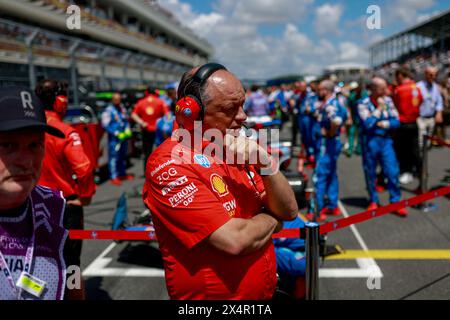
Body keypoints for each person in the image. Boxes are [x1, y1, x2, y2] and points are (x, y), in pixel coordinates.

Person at [142, 63, 298, 300]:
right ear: (191, 112)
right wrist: (271, 219)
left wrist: (266, 162)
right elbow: (235, 240)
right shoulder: (169, 163)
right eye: (229, 108)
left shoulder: (238, 146)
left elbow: (288, 210)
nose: (243, 116)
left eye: (243, 104)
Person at [0, 87, 78, 300]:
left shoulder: (56, 207)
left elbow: (73, 274)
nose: (26, 161)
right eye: (8, 145)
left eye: (35, 145)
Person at [35, 79, 96, 284]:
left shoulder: (27, 129)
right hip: (64, 205)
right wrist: (85, 197)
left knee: (37, 260)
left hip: (31, 205)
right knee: (71, 264)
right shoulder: (66, 132)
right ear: (60, 102)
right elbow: (83, 168)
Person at [357, 78, 407, 216]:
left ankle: (396, 201)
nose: (386, 91)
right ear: (373, 88)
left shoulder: (388, 101)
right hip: (369, 141)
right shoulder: (362, 103)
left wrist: (384, 124)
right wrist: (379, 109)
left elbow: (396, 121)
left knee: (392, 171)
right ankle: (373, 200)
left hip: (385, 140)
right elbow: (367, 123)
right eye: (382, 88)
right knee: (370, 172)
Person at [313, 80, 347, 221]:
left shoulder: (331, 104)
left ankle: (317, 209)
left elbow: (337, 120)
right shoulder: (336, 102)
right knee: (331, 174)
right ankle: (333, 205)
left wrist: (330, 132)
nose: (317, 92)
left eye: (320, 89)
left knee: (320, 175)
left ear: (326, 91)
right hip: (333, 142)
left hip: (327, 143)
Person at [393, 68, 423, 185]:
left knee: (402, 150)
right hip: (414, 122)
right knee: (415, 150)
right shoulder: (416, 88)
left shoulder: (399, 90)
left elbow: (395, 105)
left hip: (402, 123)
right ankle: (420, 172)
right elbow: (420, 101)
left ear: (401, 75)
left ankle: (406, 171)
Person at [131, 86, 169, 174]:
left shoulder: (141, 102)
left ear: (146, 93)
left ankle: (147, 172)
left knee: (147, 153)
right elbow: (168, 116)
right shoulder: (161, 102)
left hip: (146, 130)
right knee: (159, 152)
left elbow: (133, 115)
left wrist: (142, 123)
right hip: (158, 131)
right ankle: (159, 171)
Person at [101, 93, 133, 185]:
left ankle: (122, 173)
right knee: (114, 157)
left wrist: (127, 129)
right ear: (112, 100)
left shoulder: (122, 108)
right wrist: (116, 133)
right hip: (114, 139)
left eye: (119, 99)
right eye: (116, 99)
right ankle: (114, 176)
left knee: (122, 156)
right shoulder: (108, 111)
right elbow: (105, 125)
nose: (118, 101)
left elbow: (125, 120)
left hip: (123, 137)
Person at [416, 66, 444, 151]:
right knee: (420, 142)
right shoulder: (418, 86)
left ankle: (423, 161)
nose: (433, 77)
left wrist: (439, 113)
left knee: (427, 144)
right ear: (426, 74)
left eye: (435, 75)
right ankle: (420, 162)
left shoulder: (436, 87)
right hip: (420, 118)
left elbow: (439, 101)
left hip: (431, 118)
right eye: (431, 75)